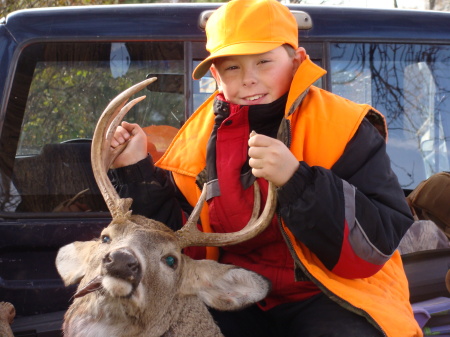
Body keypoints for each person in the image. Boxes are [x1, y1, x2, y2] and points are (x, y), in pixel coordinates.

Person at [109, 0, 421, 336]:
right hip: (234, 293)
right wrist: (136, 169)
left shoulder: (344, 126)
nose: (249, 79)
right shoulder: (197, 142)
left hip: (333, 293)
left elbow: (373, 246)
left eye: (264, 62)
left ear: (296, 60)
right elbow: (181, 246)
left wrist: (297, 181)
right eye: (232, 68)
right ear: (215, 74)